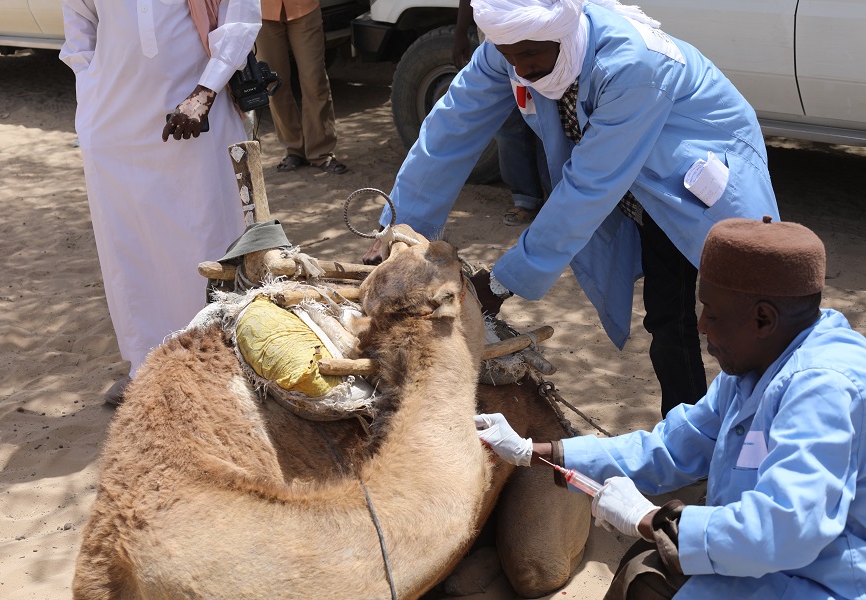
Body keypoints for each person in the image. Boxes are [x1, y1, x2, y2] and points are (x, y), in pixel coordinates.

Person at [365, 0, 779, 417]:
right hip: (639, 190)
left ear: (562, 34)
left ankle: (760, 430)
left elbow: (589, 184)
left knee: (741, 321)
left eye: (529, 55)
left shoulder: (634, 64)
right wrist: (400, 232)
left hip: (697, 185)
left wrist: (503, 280)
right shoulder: (508, 46)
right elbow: (449, 129)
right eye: (510, 57)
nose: (520, 68)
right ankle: (688, 438)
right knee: (669, 319)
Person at [476, 216, 866, 599]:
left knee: (651, 572)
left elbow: (784, 530)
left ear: (763, 318)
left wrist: (649, 519)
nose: (700, 326)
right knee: (644, 568)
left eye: (712, 313)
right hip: (764, 561)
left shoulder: (822, 389)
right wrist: (535, 451)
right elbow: (671, 447)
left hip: (819, 580)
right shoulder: (757, 365)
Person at [60, 0, 261, 404]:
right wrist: (92, 93)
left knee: (207, 234)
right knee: (129, 243)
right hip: (114, 125)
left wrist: (206, 92)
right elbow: (79, 28)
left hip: (196, 115)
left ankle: (219, 360)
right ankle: (146, 365)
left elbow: (241, 18)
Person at [454, 0, 551, 226]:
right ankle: (525, 200)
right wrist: (460, 32)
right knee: (509, 126)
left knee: (545, 123)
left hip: (537, 43)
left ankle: (556, 201)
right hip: (498, 50)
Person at [256, 0, 347, 174]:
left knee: (315, 81)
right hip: (262, 11)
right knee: (274, 85)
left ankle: (321, 152)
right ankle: (294, 149)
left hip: (304, 7)